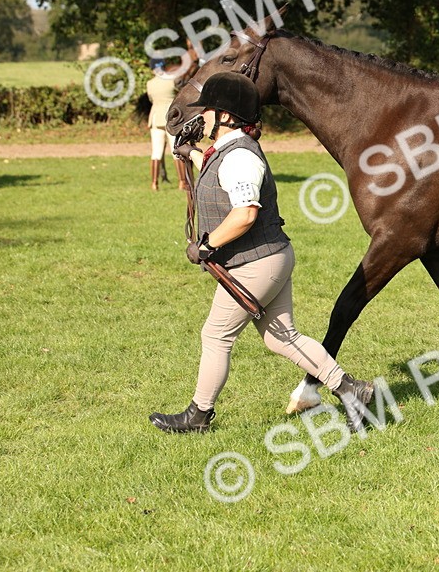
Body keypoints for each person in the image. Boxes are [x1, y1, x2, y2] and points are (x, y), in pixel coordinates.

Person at [150, 72, 374, 433]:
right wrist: (189, 152)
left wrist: (207, 245)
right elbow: (215, 171)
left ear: (225, 116)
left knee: (216, 335)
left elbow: (245, 213)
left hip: (254, 265)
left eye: (207, 109)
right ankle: (352, 390)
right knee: (281, 336)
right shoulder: (228, 152)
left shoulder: (239, 158)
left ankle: (198, 415)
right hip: (269, 258)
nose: (202, 116)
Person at [146, 58, 177, 191]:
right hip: (171, 118)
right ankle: (183, 182)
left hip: (155, 117)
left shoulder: (150, 84)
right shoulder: (172, 80)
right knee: (176, 151)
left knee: (156, 152)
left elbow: (151, 99)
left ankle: (154, 183)